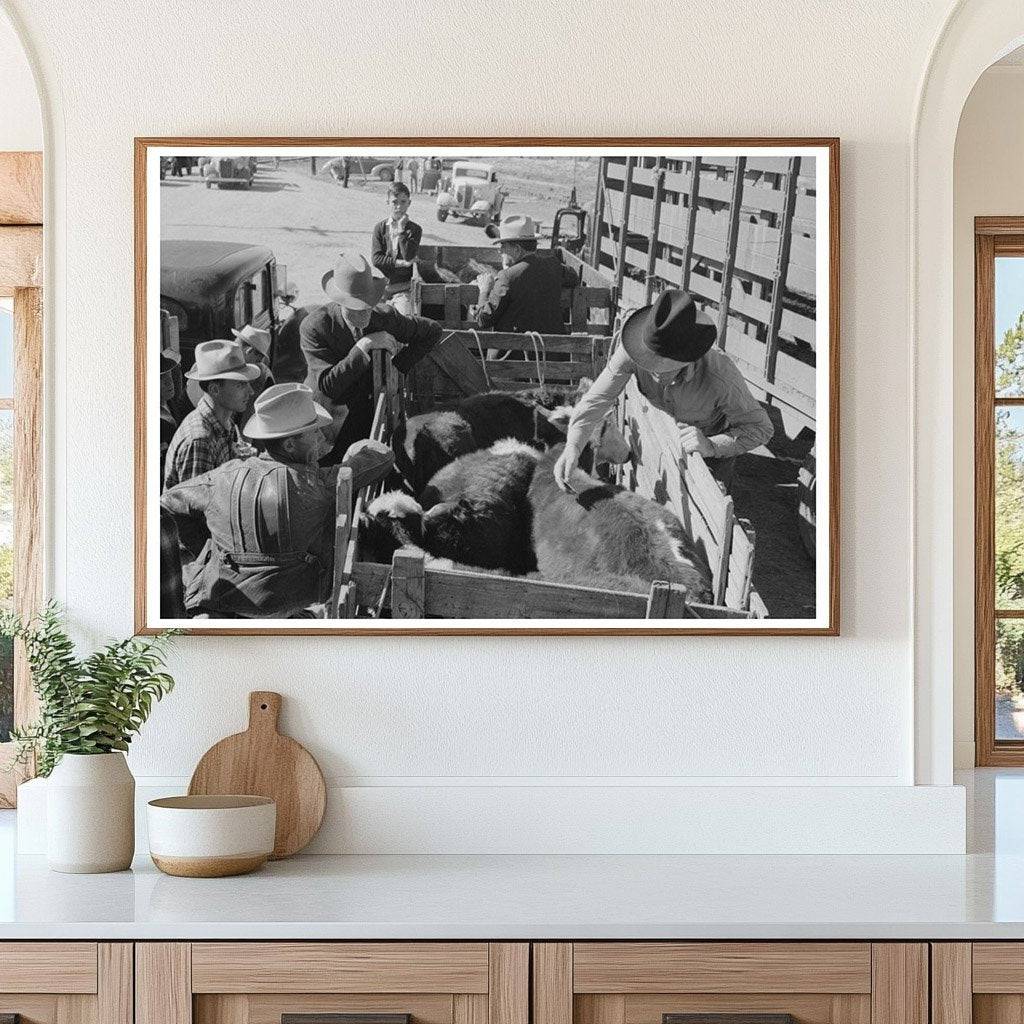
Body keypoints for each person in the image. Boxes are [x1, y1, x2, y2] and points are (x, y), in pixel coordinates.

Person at [160, 383, 394, 618]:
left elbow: (166, 504)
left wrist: (209, 549)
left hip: (225, 604)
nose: (320, 438)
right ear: (289, 445)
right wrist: (355, 449)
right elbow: (383, 456)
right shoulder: (320, 483)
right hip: (295, 605)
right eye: (313, 432)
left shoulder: (220, 478)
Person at [553, 289, 774, 493]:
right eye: (648, 361)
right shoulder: (633, 351)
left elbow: (761, 428)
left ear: (688, 358)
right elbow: (596, 400)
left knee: (712, 499)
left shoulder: (721, 377)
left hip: (710, 449)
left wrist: (712, 445)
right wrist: (573, 446)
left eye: (664, 364)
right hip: (667, 435)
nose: (654, 371)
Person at [300, 252, 442, 465]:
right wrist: (363, 346)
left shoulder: (384, 317)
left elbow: (432, 331)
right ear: (340, 302)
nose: (365, 313)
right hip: (325, 418)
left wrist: (397, 367)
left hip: (366, 413)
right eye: (357, 307)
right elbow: (329, 386)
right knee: (322, 467)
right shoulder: (315, 326)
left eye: (369, 305)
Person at [163, 339, 259, 492]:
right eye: (241, 384)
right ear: (215, 390)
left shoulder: (225, 421)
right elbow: (196, 504)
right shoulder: (200, 441)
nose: (251, 391)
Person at [476, 215, 579, 334]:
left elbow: (484, 320)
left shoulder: (506, 276)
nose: (500, 250)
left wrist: (484, 290)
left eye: (503, 245)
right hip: (554, 344)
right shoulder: (554, 265)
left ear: (517, 249)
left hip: (514, 345)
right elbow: (574, 277)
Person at [371, 182, 422, 315]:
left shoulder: (415, 229)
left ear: (409, 203)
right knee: (369, 316)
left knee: (403, 318)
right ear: (387, 201)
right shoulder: (380, 228)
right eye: (394, 202)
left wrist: (401, 230)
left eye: (403, 202)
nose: (399, 206)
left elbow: (408, 256)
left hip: (404, 288)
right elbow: (376, 259)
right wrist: (401, 263)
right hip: (384, 286)